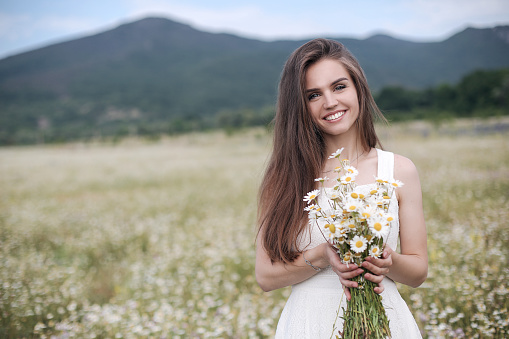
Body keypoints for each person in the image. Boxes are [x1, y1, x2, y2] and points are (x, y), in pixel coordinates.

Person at [255, 38, 428, 338]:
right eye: (313, 95)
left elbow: (418, 271)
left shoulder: (399, 170)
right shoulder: (285, 178)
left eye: (339, 87)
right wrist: (322, 255)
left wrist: (387, 261)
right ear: (300, 107)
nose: (330, 102)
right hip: (308, 324)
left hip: (383, 323)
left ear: (358, 87)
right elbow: (266, 276)